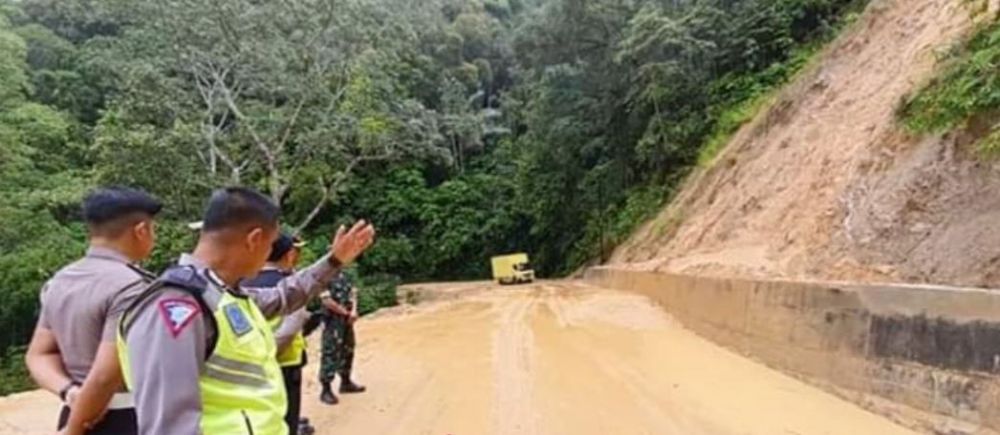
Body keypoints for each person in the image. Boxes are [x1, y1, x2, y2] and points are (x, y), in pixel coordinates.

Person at [115, 187, 374, 434]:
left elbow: (285, 296)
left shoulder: (222, 294)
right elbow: (168, 425)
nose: (268, 256)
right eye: (270, 245)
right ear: (254, 239)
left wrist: (334, 261)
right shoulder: (175, 306)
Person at [26, 186, 162, 435]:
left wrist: (70, 392)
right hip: (125, 419)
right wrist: (73, 429)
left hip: (75, 409)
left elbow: (39, 355)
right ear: (141, 231)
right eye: (154, 229)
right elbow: (105, 377)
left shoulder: (60, 281)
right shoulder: (132, 288)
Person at [243, 232, 317, 435]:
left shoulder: (243, 282)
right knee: (286, 418)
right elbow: (289, 330)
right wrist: (268, 355)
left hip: (252, 363)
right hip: (285, 363)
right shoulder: (289, 285)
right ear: (289, 254)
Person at [318, 272, 366, 405]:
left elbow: (353, 293)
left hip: (347, 320)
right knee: (330, 352)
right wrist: (345, 313)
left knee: (348, 349)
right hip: (332, 321)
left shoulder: (346, 275)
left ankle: (346, 381)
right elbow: (326, 300)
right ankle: (326, 389)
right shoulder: (323, 277)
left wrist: (354, 311)